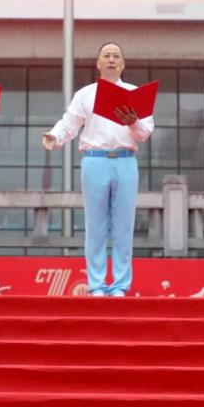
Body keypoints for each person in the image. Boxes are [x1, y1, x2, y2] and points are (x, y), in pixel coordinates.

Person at [43, 42, 154, 297]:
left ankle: (120, 285)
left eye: (116, 56)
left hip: (125, 160)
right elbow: (69, 123)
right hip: (95, 160)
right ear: (98, 63)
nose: (111, 60)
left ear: (123, 64)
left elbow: (145, 132)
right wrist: (55, 136)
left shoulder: (136, 94)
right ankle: (97, 285)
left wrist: (133, 122)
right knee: (95, 226)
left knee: (124, 226)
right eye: (106, 56)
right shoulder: (86, 94)